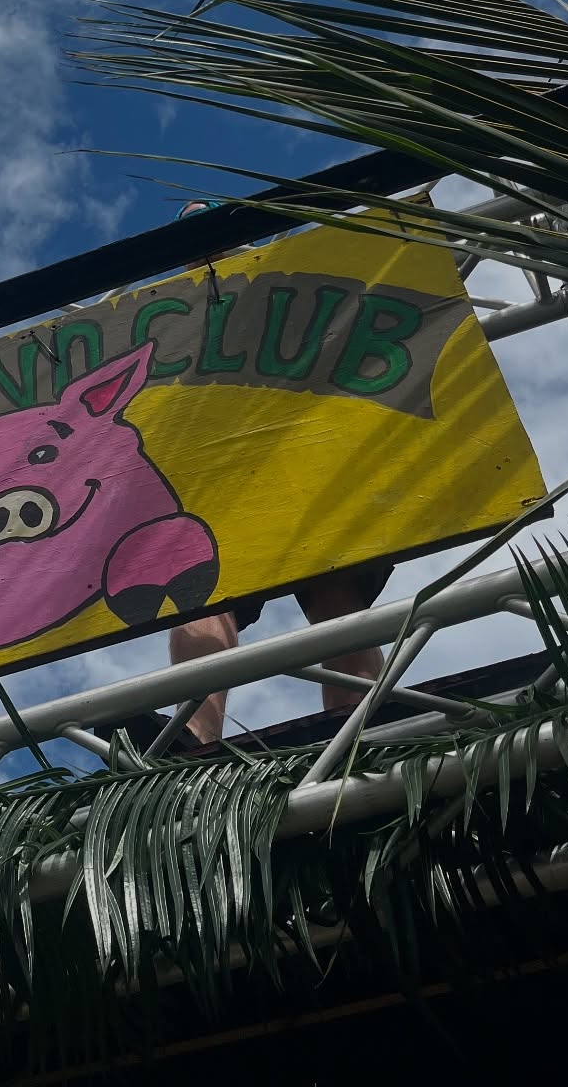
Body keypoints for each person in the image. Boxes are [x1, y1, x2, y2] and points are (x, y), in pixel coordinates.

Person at [164, 199, 387, 744]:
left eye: (214, 228)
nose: (209, 246)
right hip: (219, 475)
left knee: (336, 594)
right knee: (202, 595)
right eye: (196, 232)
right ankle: (194, 738)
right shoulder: (167, 318)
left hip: (302, 461)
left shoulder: (286, 286)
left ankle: (361, 722)